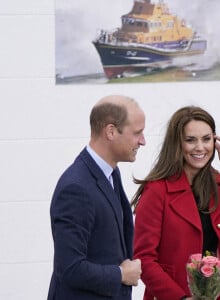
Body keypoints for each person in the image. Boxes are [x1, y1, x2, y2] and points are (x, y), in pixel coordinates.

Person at [132, 105, 220, 300]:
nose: (200, 147)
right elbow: (144, 259)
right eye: (191, 140)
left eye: (206, 139)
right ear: (177, 144)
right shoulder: (157, 190)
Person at [48, 95, 146, 300]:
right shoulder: (76, 188)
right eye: (137, 133)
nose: (143, 141)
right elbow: (70, 269)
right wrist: (121, 274)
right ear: (110, 131)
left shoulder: (110, 173)